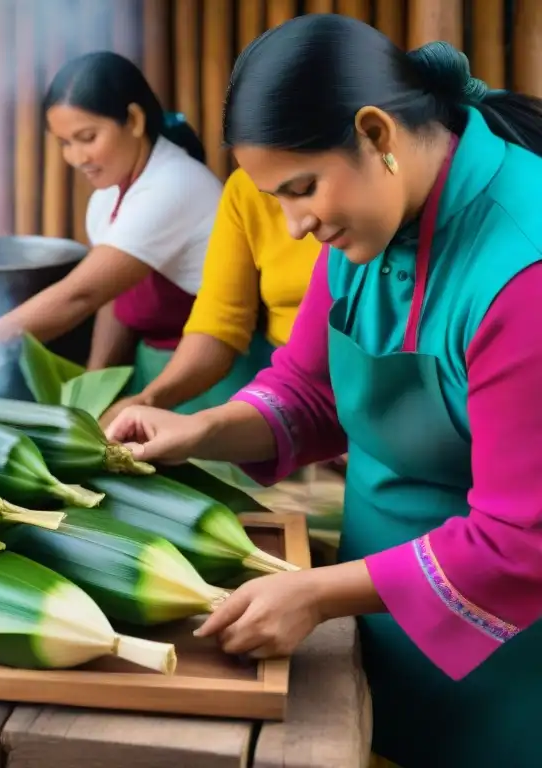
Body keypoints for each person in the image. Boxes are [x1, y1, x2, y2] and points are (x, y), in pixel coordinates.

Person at [106, 14, 542, 768]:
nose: (295, 224)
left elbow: (520, 542)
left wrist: (315, 595)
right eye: (274, 197)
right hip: (376, 619)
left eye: (301, 190)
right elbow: (307, 392)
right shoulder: (369, 219)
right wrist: (202, 429)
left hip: (506, 664)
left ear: (376, 134)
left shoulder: (523, 272)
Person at [0, 51, 224, 385]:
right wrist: (95, 384)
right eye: (64, 143)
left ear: (134, 121)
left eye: (88, 137)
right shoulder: (106, 199)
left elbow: (81, 296)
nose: (76, 158)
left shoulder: (174, 185)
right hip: (152, 371)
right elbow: (111, 295)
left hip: (213, 377)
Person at [100, 167, 321, 427]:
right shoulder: (244, 188)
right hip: (300, 398)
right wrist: (149, 400)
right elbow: (219, 320)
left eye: (304, 189)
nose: (295, 228)